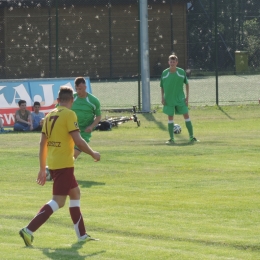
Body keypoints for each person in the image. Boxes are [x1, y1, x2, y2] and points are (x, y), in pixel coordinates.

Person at [19, 86, 101, 247]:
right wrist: (93, 153)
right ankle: (28, 230)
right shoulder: (70, 114)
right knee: (58, 201)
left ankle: (82, 235)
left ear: (58, 100)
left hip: (55, 163)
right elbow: (78, 140)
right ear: (71, 101)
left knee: (75, 193)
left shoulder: (49, 116)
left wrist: (42, 169)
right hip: (65, 164)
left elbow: (42, 144)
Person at [160, 54, 198, 144]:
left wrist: (187, 98)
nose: (172, 63)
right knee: (170, 118)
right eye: (171, 61)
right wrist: (162, 97)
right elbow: (161, 86)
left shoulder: (181, 72)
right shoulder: (164, 73)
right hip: (169, 99)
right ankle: (171, 139)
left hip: (180, 98)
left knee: (186, 116)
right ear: (168, 62)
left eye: (174, 61)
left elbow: (187, 84)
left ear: (177, 62)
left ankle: (192, 137)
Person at [72, 77, 101, 159]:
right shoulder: (71, 98)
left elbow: (98, 116)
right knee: (68, 155)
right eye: (76, 89)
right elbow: (59, 109)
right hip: (71, 131)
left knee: (74, 155)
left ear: (85, 87)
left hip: (84, 132)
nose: (78, 91)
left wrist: (91, 126)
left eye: (80, 89)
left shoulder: (93, 101)